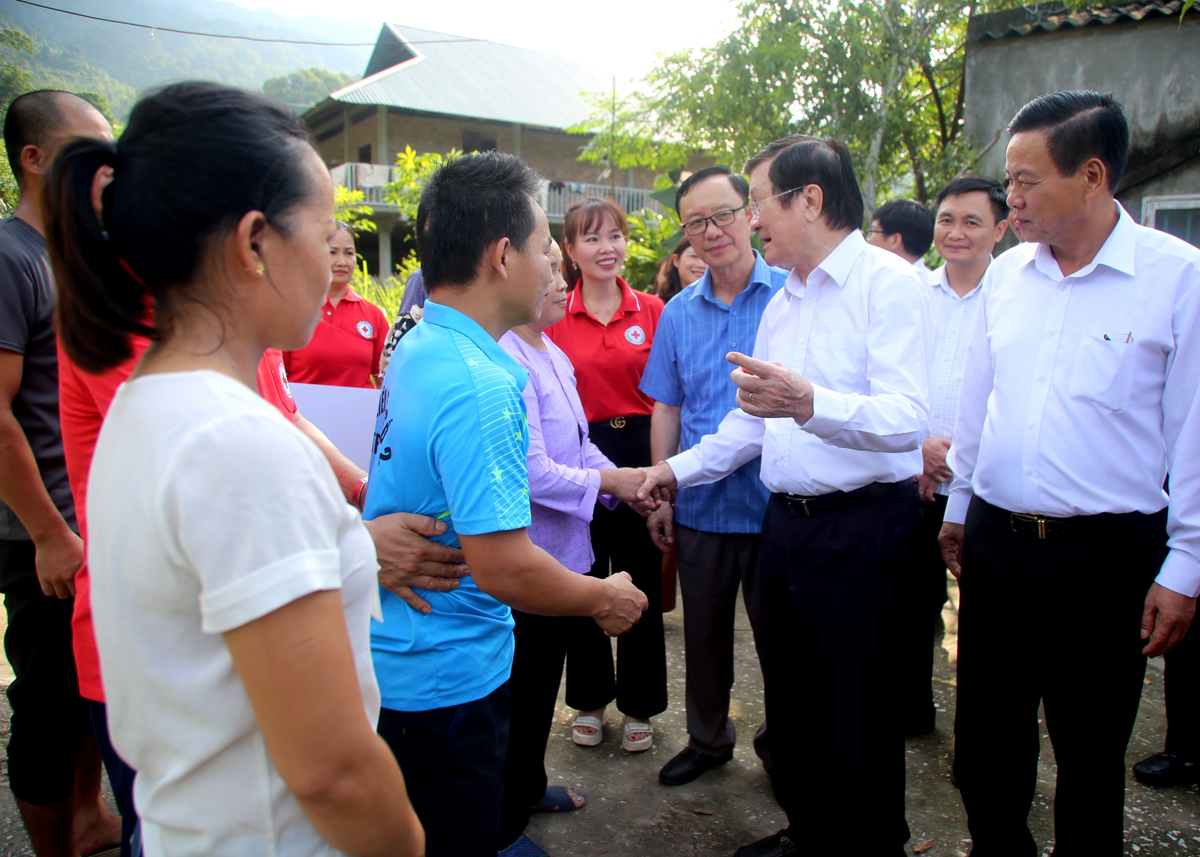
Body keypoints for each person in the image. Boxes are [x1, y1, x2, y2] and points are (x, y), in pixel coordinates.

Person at [49, 81, 425, 857]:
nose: (333, 265)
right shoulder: (236, 445)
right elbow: (333, 772)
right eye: (324, 238)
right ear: (256, 243)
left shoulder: (150, 405)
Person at [637, 135, 934, 857]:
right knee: (795, 697)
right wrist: (676, 468)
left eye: (761, 198)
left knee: (857, 704)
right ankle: (811, 830)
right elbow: (750, 421)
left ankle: (870, 843)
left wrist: (812, 404)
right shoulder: (788, 298)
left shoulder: (888, 286)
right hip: (787, 524)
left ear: (810, 198)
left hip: (861, 526)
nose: (753, 217)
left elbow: (908, 419)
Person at [938, 91, 1199, 857]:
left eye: (1025, 181)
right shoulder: (1009, 276)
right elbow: (978, 401)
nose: (1008, 197)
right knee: (986, 743)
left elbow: (1194, 431)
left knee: (1088, 752)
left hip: (1107, 556)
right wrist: (959, 506)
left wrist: (1186, 562)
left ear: (1091, 175)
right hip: (997, 541)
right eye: (1007, 180)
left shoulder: (1177, 277)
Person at [364, 152, 648, 857]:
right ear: (501, 256)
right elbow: (503, 568)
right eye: (546, 250)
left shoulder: (422, 340)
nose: (555, 268)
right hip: (445, 672)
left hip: (402, 651)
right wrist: (602, 596)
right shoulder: (482, 381)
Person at [496, 240, 650, 856]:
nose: (564, 283)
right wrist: (610, 483)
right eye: (553, 268)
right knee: (521, 695)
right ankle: (503, 827)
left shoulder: (552, 352)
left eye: (563, 270)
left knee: (541, 688)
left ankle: (527, 787)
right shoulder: (507, 357)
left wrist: (627, 484)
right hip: (528, 559)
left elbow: (578, 446)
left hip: (568, 552)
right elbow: (532, 470)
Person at [0, 90, 122, 857]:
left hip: (87, 524)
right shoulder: (10, 258)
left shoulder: (77, 256)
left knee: (86, 694)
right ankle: (53, 843)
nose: (105, 169)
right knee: (45, 706)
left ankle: (87, 818)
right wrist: (48, 532)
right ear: (34, 158)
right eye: (88, 150)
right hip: (38, 530)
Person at [638, 165, 787, 787]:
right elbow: (667, 405)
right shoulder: (677, 314)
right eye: (696, 221)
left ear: (750, 213)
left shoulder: (792, 294)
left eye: (723, 213)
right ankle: (707, 739)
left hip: (777, 502)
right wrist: (661, 492)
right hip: (701, 505)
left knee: (782, 643)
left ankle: (783, 749)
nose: (713, 230)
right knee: (701, 637)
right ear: (686, 233)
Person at [545, 197, 667, 754]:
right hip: (580, 453)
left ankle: (641, 703)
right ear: (569, 250)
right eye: (591, 238)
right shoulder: (553, 316)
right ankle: (590, 698)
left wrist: (663, 470)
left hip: (641, 448)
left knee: (640, 573)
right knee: (585, 573)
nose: (606, 248)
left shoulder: (653, 310)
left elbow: (670, 397)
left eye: (615, 235)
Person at [895, 175, 1008, 737]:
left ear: (1002, 229)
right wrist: (917, 449)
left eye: (972, 222)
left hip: (983, 482)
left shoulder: (1014, 297)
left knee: (985, 617)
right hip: (913, 478)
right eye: (946, 220)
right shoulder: (911, 292)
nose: (956, 233)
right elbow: (893, 379)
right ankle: (913, 711)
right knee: (912, 605)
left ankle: (981, 735)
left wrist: (956, 455)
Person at [282, 221, 389, 388]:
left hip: (359, 413)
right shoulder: (293, 312)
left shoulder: (373, 315)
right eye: (332, 252)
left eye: (349, 253)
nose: (342, 262)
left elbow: (384, 381)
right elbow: (276, 378)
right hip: (302, 413)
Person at [867, 198, 935, 282]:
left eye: (872, 232)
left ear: (895, 240)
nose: (868, 240)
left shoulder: (898, 282)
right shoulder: (932, 285)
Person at [656, 236, 708, 303]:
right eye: (694, 256)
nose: (701, 265)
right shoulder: (660, 304)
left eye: (707, 258)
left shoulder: (722, 302)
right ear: (676, 260)